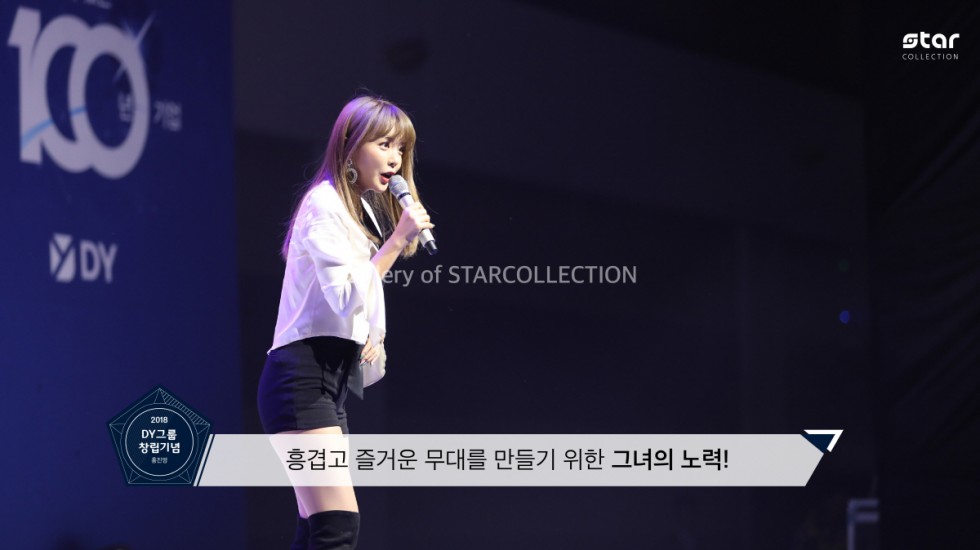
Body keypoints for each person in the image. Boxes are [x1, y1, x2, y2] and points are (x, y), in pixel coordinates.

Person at [257, 95, 433, 549]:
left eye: (401, 148)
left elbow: (353, 294)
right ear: (351, 145)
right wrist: (396, 241)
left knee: (317, 528)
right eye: (384, 144)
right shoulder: (324, 204)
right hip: (301, 380)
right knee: (336, 526)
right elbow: (343, 296)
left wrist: (372, 332)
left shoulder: (358, 209)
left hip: (327, 384)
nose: (395, 158)